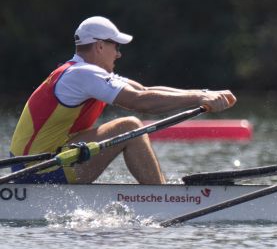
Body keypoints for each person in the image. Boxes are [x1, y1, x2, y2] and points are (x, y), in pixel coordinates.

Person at [8, 16, 237, 184]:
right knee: (130, 126)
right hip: (38, 171)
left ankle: (162, 195)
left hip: (39, 164)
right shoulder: (84, 74)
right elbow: (141, 102)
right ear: (99, 46)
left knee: (129, 125)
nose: (118, 54)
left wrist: (205, 92)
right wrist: (200, 97)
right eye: (115, 46)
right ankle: (163, 198)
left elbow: (144, 89)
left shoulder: (83, 71)